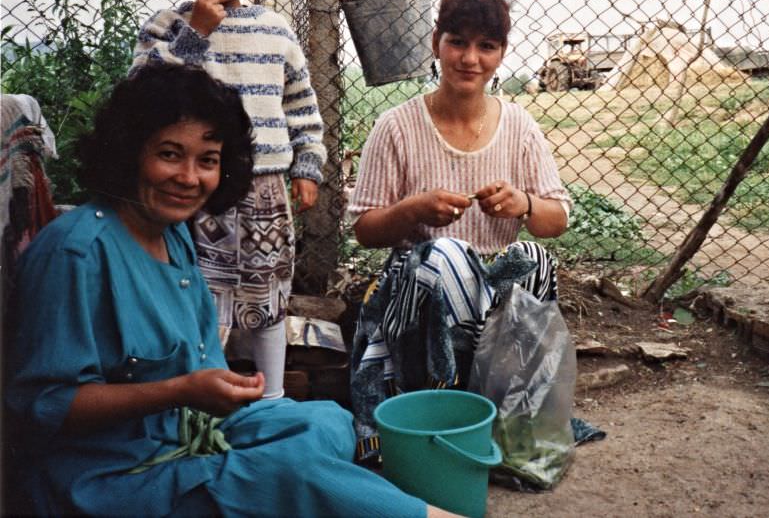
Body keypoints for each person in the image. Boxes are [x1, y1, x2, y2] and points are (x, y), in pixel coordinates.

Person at [4, 64, 460, 517]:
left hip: (189, 436)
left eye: (207, 160)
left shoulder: (172, 231)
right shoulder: (75, 254)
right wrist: (181, 390)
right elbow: (47, 405)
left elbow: (198, 373)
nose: (189, 177)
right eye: (169, 154)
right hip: (113, 476)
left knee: (328, 421)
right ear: (127, 152)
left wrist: (218, 388)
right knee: (285, 474)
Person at [347, 0, 573, 462]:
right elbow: (364, 229)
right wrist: (413, 210)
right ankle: (441, 405)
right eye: (458, 43)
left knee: (533, 257)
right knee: (447, 256)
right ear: (436, 43)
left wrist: (525, 205)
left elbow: (556, 220)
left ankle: (510, 408)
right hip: (418, 295)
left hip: (492, 296)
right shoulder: (397, 127)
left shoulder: (519, 127)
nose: (470, 59)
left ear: (502, 53)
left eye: (486, 46)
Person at [130, 0, 326, 399]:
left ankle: (273, 396)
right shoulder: (166, 27)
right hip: (193, 190)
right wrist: (196, 32)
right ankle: (200, 394)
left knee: (267, 294)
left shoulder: (274, 30)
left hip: (263, 187)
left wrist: (307, 164)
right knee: (195, 292)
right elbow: (143, 96)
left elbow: (301, 105)